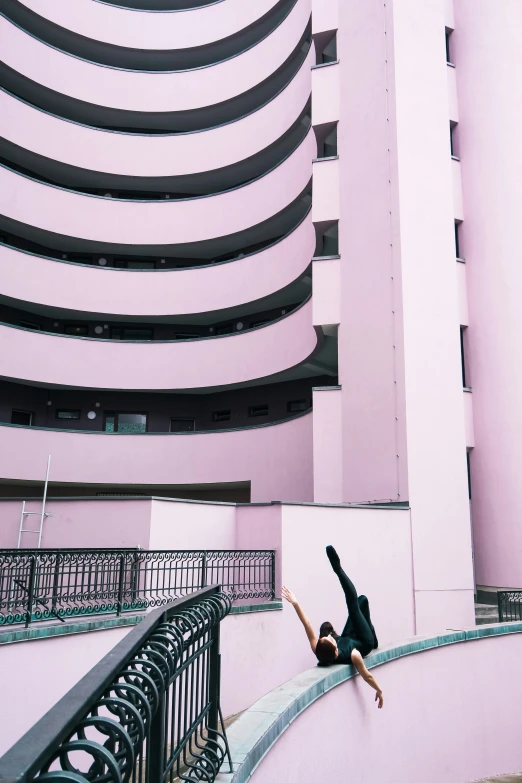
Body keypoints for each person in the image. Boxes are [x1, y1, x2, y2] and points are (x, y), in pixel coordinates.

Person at [282, 545, 384, 709]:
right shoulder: (355, 656)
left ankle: (371, 628)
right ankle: (338, 570)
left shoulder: (319, 649)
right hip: (365, 641)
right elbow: (367, 676)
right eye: (330, 639)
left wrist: (295, 603)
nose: (330, 636)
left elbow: (306, 623)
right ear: (336, 650)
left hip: (349, 636)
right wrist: (379, 691)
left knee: (362, 601)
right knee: (354, 604)